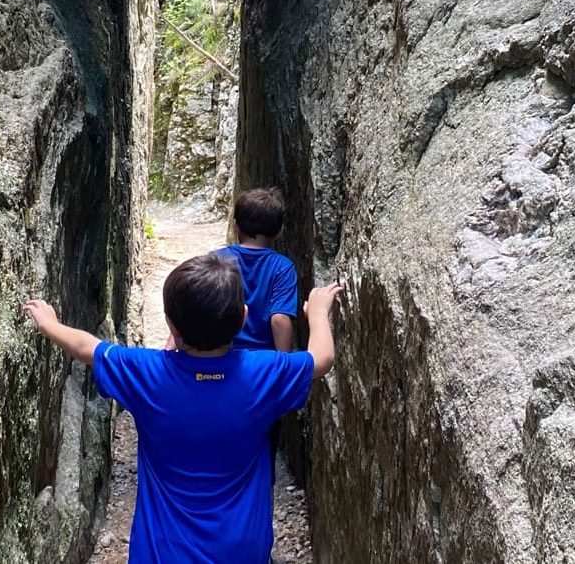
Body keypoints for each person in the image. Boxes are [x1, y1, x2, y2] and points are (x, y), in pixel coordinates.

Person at [22, 254, 342, 564]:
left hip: (162, 550)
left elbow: (87, 348)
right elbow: (321, 360)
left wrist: (49, 325)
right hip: (241, 549)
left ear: (171, 324)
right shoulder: (265, 372)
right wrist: (317, 313)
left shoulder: (146, 372)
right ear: (243, 318)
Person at [220, 188, 297, 353]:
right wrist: (283, 365)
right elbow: (280, 319)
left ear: (235, 226)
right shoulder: (283, 267)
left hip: (222, 356)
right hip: (263, 359)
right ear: (279, 232)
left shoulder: (217, 260)